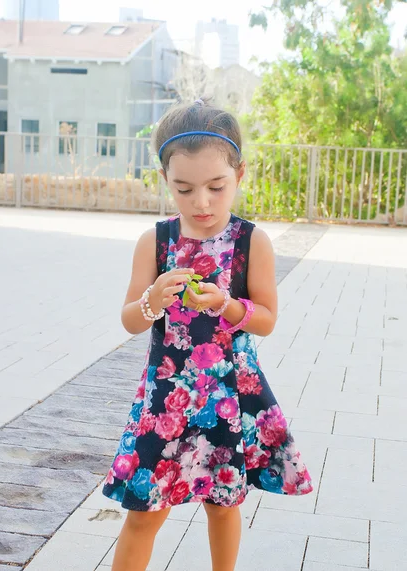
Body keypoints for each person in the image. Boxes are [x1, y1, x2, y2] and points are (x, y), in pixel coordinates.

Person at [102, 99, 313, 571]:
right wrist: (154, 297)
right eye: (184, 189)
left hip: (229, 393)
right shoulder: (155, 242)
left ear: (240, 173)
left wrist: (225, 304)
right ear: (165, 181)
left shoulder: (250, 241)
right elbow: (131, 319)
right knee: (144, 508)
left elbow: (266, 319)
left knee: (223, 503)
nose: (201, 202)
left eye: (217, 187)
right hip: (165, 397)